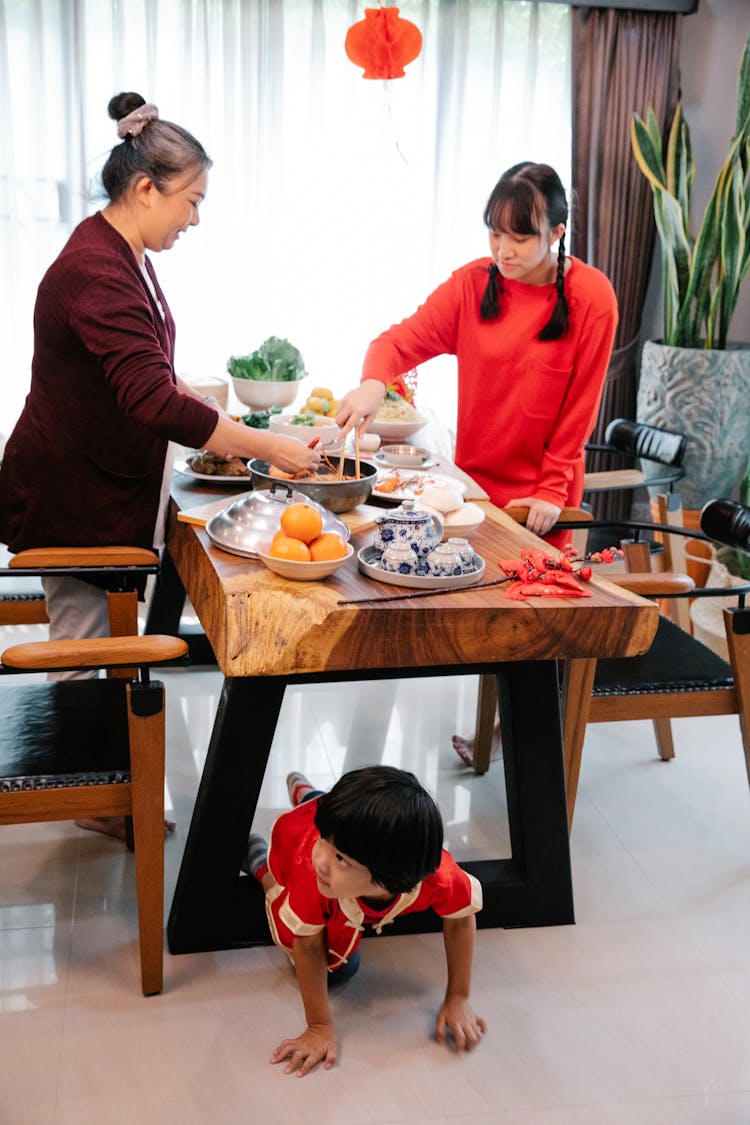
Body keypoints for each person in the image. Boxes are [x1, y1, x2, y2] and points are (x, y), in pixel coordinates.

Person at [0, 91, 319, 837]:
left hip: (97, 475)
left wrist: (225, 419)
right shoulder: (95, 269)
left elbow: (146, 369)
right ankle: (98, 798)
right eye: (191, 200)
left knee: (94, 626)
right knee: (82, 635)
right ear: (146, 189)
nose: (195, 218)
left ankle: (106, 784)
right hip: (70, 490)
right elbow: (147, 396)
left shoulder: (121, 252)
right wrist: (266, 447)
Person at [335, 161, 618, 765]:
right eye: (495, 233)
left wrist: (548, 490)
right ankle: (475, 739)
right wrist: (370, 383)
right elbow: (399, 340)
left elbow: (580, 407)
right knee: (466, 620)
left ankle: (529, 756)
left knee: (540, 636)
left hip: (546, 502)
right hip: (475, 500)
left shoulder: (591, 298)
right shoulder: (473, 286)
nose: (503, 250)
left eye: (520, 236)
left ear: (558, 233)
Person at [244, 766, 486, 1076]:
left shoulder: (440, 878)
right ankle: (261, 862)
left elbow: (460, 920)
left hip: (338, 835)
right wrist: (319, 1026)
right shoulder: (314, 872)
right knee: (340, 968)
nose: (323, 860)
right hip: (297, 842)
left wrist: (458, 997)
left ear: (387, 882)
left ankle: (313, 798)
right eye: (325, 841)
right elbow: (307, 946)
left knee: (340, 828)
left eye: (341, 859)